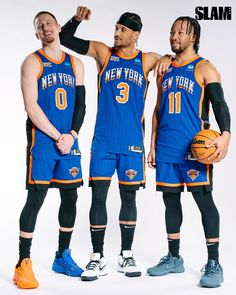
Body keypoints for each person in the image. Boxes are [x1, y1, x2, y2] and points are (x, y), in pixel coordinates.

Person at [59, 6, 171, 280]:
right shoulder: (103, 53)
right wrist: (76, 20)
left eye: (122, 30)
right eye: (116, 29)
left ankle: (126, 254)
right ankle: (97, 257)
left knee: (128, 197)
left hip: (132, 142)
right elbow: (64, 39)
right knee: (98, 196)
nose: (116, 33)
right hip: (104, 142)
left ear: (136, 34)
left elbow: (176, 64)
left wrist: (168, 57)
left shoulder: (148, 60)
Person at [146, 16, 231, 288]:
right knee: (171, 202)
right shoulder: (165, 69)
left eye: (180, 32)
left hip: (196, 148)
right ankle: (174, 258)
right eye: (172, 31)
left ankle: (214, 262)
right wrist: (152, 146)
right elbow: (158, 110)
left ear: (192, 36)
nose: (174, 36)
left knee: (204, 202)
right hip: (167, 147)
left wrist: (226, 135)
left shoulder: (205, 68)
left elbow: (219, 103)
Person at [13, 11, 86, 289]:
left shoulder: (75, 63)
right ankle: (23, 263)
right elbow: (31, 106)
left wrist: (73, 135)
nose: (45, 27)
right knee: (36, 198)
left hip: (69, 139)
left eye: (49, 23)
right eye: (40, 26)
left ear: (58, 27)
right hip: (43, 139)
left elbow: (81, 105)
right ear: (37, 34)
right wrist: (59, 136)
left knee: (70, 197)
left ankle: (62, 256)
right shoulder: (32, 62)